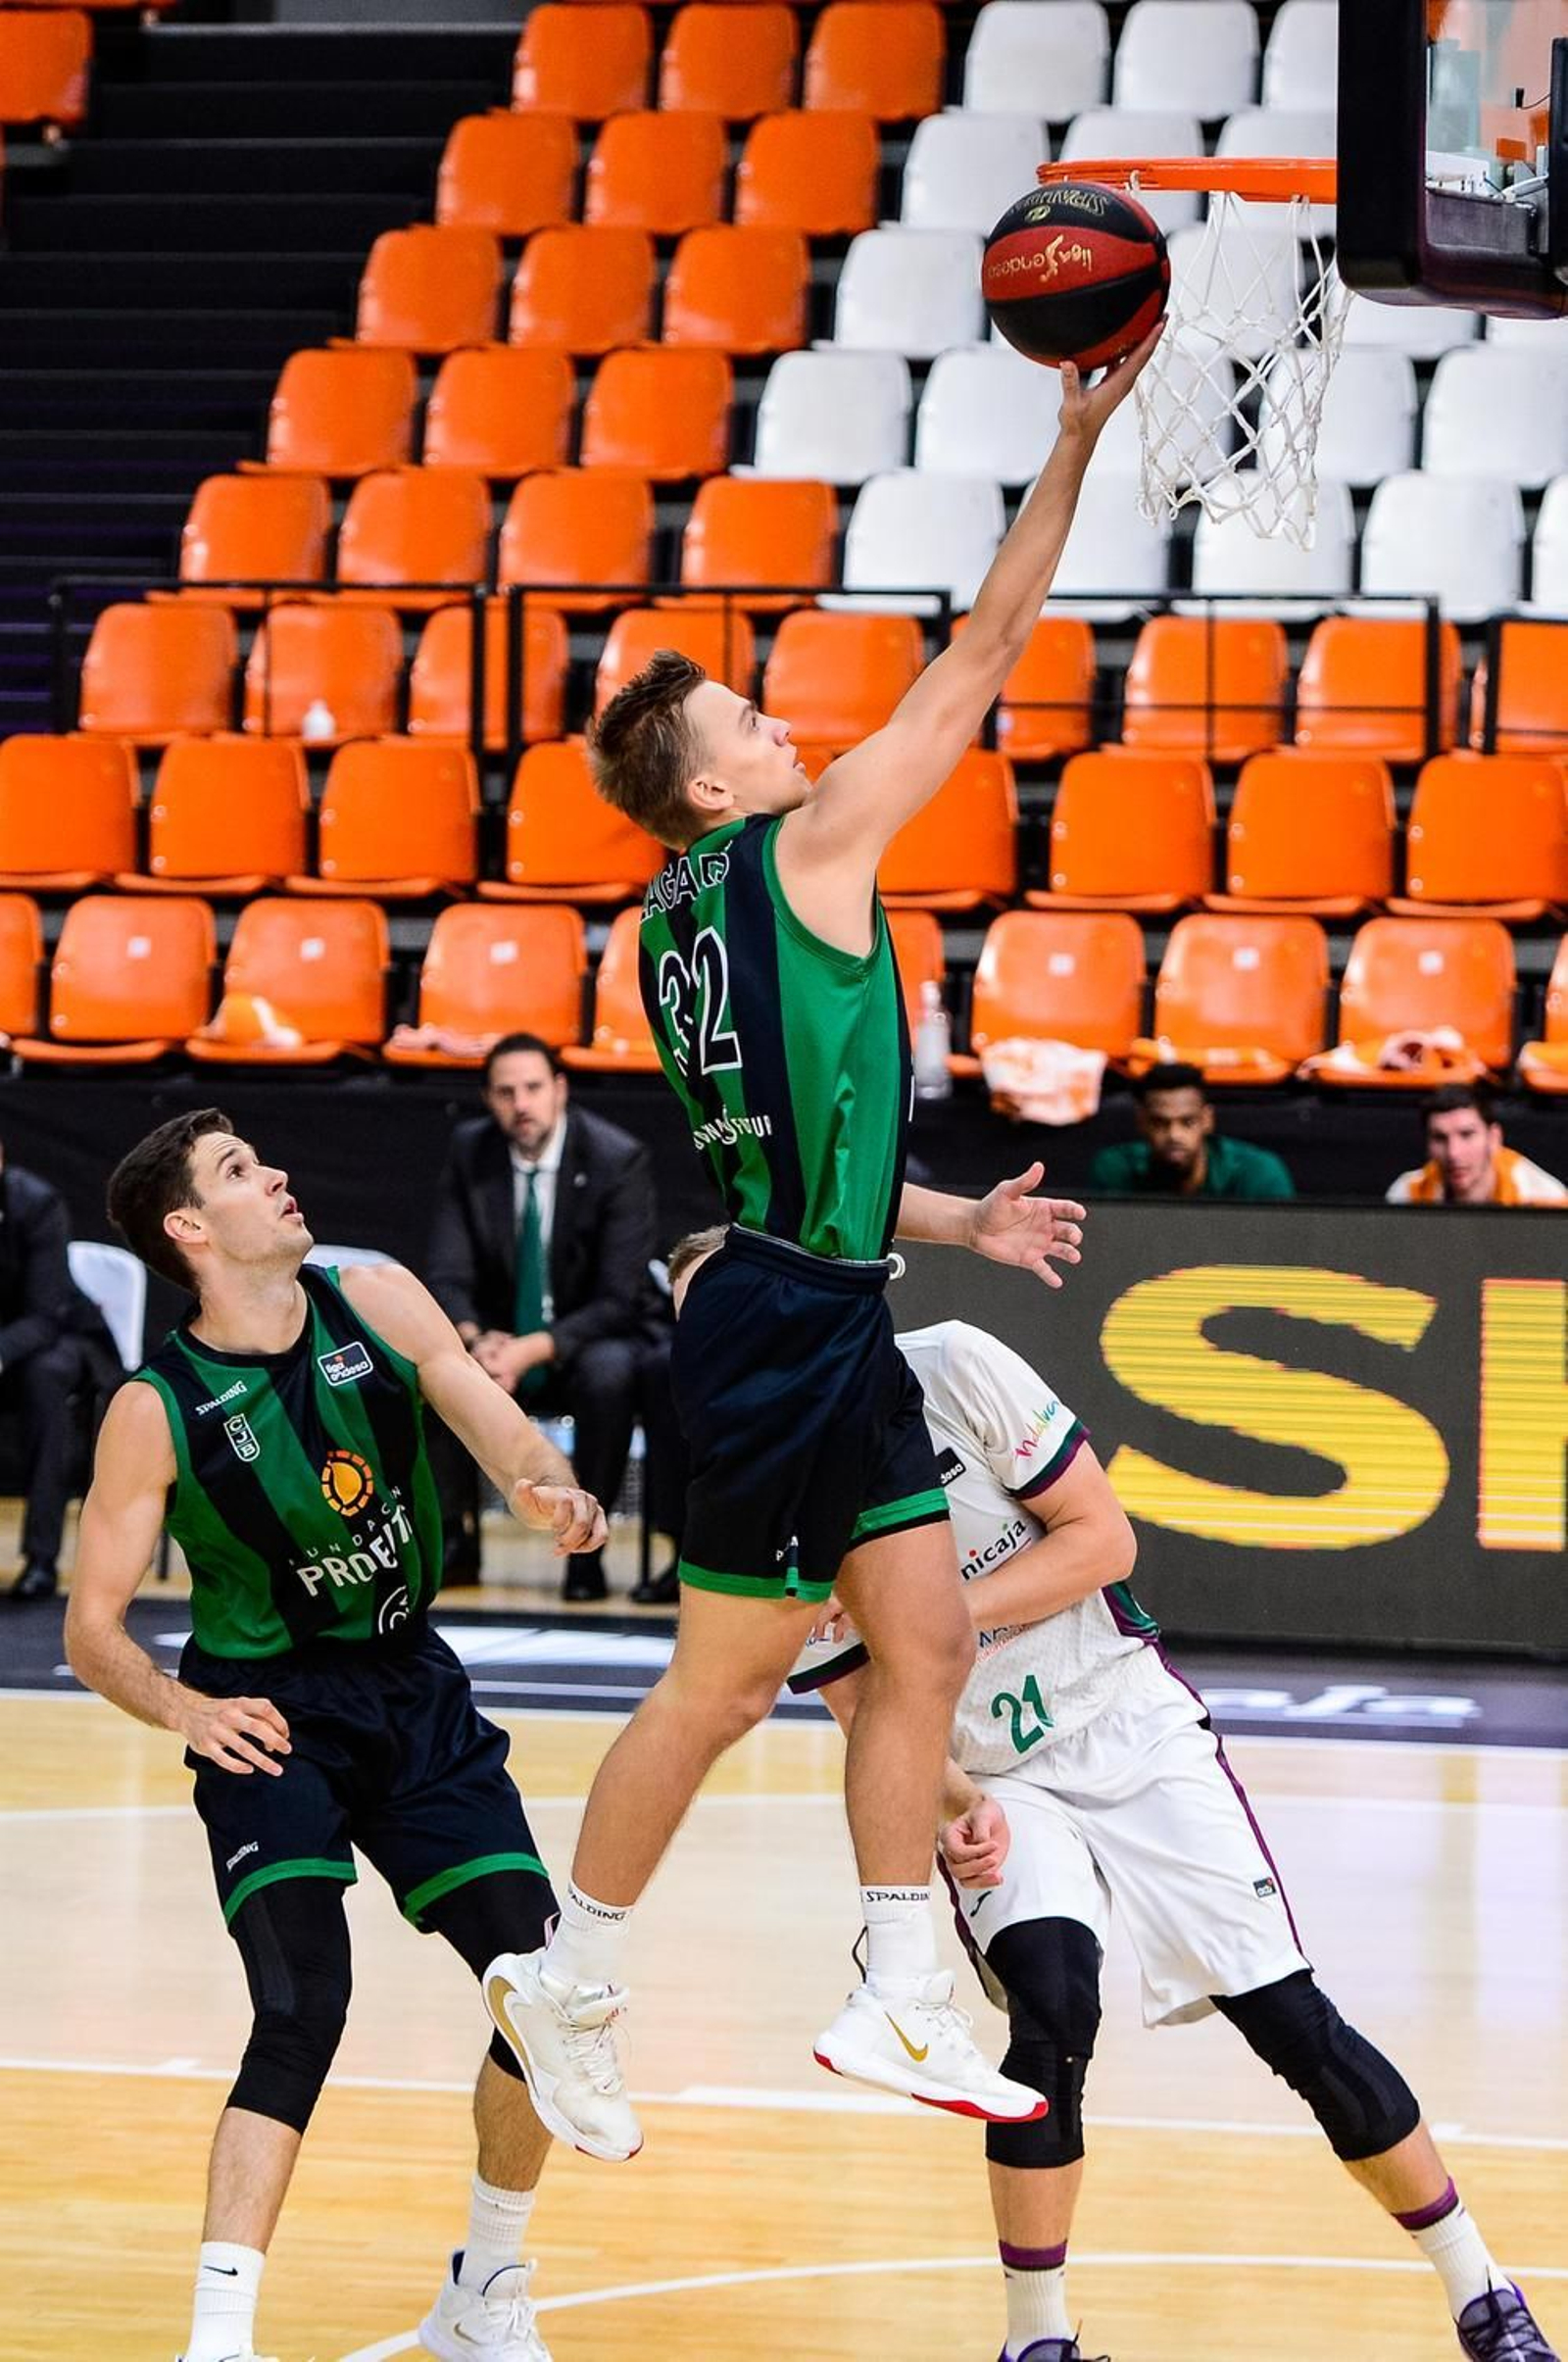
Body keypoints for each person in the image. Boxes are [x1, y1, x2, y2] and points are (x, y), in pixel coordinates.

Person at [479, 335, 1161, 2167]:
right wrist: (1074, 440)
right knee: (716, 1683)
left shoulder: (674, 918)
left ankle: (891, 1987)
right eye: (755, 731)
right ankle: (568, 1969)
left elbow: (790, 1161)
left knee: (922, 1640)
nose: (791, 735)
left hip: (817, 1295)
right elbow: (991, 656)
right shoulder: (801, 851)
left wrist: (961, 1217)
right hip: (788, 1324)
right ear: (711, 790)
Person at [739, 1251, 1558, 2362]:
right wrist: (946, 1803)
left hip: (1124, 1722)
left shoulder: (957, 1368)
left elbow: (1103, 1541)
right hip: (992, 1771)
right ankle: (1036, 2342)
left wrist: (932, 1620)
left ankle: (1482, 2293)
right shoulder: (762, 1486)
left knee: (1290, 2021)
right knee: (1051, 2009)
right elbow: (856, 1704)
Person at [64, 1107, 609, 2362]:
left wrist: (548, 1486)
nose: (280, 1174)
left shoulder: (373, 1296)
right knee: (303, 2004)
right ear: (191, 1228)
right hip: (272, 1718)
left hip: (414, 1693)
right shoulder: (156, 1410)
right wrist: (186, 1709)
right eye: (242, 1171)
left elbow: (495, 1422)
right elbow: (92, 1630)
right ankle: (218, 2336)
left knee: (547, 1995)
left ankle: (487, 2281)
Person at [425, 1030, 684, 1602]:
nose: (521, 1104)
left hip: (586, 1337)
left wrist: (528, 1350)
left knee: (612, 1373)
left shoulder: (616, 1157)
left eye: (533, 1088)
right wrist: (476, 1342)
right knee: (435, 1365)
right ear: (490, 1099)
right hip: (498, 1338)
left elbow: (619, 1299)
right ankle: (454, 1541)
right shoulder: (472, 1152)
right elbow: (447, 1273)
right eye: (506, 1092)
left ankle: (584, 1549)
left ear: (560, 1090)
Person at [0, 1141, 122, 1600]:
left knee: (43, 1376)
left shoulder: (35, 1202)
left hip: (61, 1338)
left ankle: (41, 1558)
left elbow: (44, 1314)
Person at [1089, 1062, 1295, 1201]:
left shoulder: (1259, 1172)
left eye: (1187, 1122)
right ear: (1141, 1122)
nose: (1174, 1135)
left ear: (1207, 1120)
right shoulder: (1114, 1169)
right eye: (1160, 1123)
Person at [1387, 1082, 1567, 1206]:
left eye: (1467, 1135)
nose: (1453, 1154)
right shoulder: (1405, 1195)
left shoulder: (1545, 1199)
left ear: (1494, 1138)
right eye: (1440, 1138)